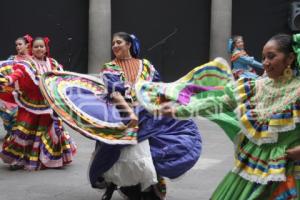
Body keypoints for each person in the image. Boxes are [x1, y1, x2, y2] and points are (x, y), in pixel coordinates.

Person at [137, 33, 300, 199]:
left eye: (271, 57)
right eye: (264, 57)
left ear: (290, 58)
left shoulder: (297, 91)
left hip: (288, 169)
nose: (265, 63)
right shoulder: (255, 87)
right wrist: (178, 110)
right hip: (251, 169)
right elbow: (220, 102)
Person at [88, 32, 202, 200]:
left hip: (148, 112)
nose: (115, 46)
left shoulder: (146, 65)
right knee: (122, 151)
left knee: (165, 141)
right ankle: (129, 185)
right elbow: (115, 93)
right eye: (113, 44)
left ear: (129, 45)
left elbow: (157, 88)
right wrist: (129, 113)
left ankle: (153, 181)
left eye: (119, 42)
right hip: (121, 113)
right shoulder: (109, 67)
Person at [0, 37, 76, 170]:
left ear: (46, 49)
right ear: (31, 49)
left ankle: (49, 158)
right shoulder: (28, 63)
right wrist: (8, 79)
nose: (39, 49)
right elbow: (18, 73)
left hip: (48, 104)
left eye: (42, 46)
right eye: (36, 47)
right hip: (31, 103)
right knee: (23, 129)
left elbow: (61, 79)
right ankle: (18, 159)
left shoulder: (53, 63)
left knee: (48, 130)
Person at [0, 34, 33, 136]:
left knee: (19, 118)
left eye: (20, 44)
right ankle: (10, 133)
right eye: (16, 45)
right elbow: (5, 73)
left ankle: (15, 136)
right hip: (9, 94)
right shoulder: (11, 58)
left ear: (27, 45)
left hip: (24, 95)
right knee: (6, 116)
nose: (18, 47)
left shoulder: (32, 60)